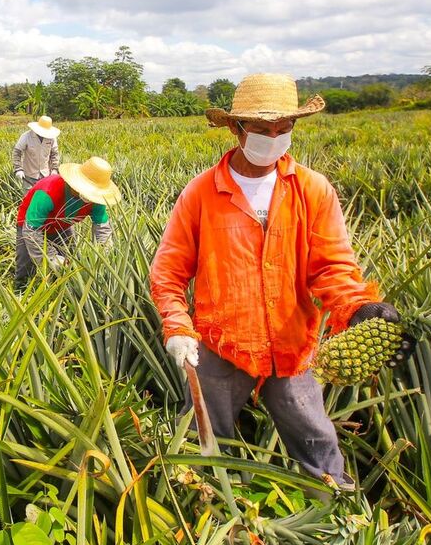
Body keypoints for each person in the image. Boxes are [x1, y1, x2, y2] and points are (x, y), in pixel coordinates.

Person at [148, 73, 406, 491]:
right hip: (221, 342)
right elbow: (169, 271)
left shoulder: (312, 190)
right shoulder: (200, 194)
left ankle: (336, 507)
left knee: (315, 438)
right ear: (237, 128)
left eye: (284, 129)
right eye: (263, 130)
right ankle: (209, 508)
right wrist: (177, 326)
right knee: (205, 439)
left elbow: (332, 266)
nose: (275, 138)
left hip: (292, 343)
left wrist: (359, 308)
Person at [15, 156, 120, 288]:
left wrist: (104, 257)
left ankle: (60, 292)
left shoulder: (97, 200)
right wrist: (52, 259)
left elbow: (102, 230)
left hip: (62, 226)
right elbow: (31, 231)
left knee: (70, 263)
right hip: (31, 226)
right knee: (26, 265)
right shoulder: (48, 191)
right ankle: (21, 292)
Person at [13, 115, 61, 192]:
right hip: (29, 176)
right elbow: (17, 152)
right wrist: (18, 169)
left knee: (43, 200)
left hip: (45, 175)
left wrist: (54, 169)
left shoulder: (51, 138)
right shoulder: (26, 136)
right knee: (29, 200)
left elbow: (54, 154)